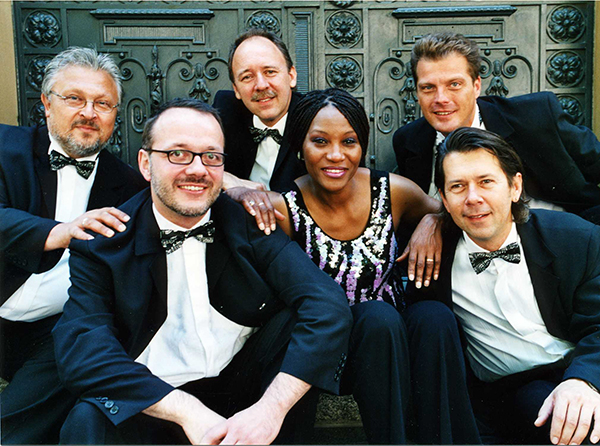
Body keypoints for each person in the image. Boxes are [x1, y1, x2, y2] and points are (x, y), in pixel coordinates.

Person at [52, 98, 352, 445]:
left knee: (297, 321)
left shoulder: (247, 220)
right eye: (178, 153)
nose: (197, 170)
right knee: (87, 418)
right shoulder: (104, 241)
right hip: (156, 402)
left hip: (245, 400)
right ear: (146, 164)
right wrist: (186, 410)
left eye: (211, 156)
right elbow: (82, 346)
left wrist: (270, 410)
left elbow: (326, 303)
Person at [226, 88, 481, 444]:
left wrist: (431, 221)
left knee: (434, 317)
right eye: (320, 141)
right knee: (377, 317)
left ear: (362, 147)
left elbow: (451, 212)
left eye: (349, 142)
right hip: (328, 351)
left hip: (391, 345)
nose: (336, 155)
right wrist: (238, 189)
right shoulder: (285, 209)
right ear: (299, 147)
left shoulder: (393, 192)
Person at [410, 126, 600, 444]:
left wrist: (585, 380)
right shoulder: (433, 260)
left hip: (576, 369)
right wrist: (430, 221)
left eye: (486, 182)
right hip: (505, 393)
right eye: (457, 186)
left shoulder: (574, 239)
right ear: (443, 198)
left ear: (515, 186)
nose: (473, 198)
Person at [0, 47, 147, 444]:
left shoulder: (129, 186)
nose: (89, 113)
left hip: (53, 335)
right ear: (47, 104)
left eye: (103, 103)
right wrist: (61, 231)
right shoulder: (3, 146)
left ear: (115, 114)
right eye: (74, 98)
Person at [393, 32, 600, 223]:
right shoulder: (408, 140)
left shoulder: (537, 116)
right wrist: (431, 223)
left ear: (476, 86)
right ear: (417, 93)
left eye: (454, 84)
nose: (441, 99)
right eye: (428, 88)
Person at [213, 28, 305, 193]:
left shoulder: (316, 117)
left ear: (291, 76)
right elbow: (181, 161)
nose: (261, 85)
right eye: (247, 77)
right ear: (236, 89)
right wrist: (223, 178)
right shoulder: (225, 110)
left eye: (270, 72)